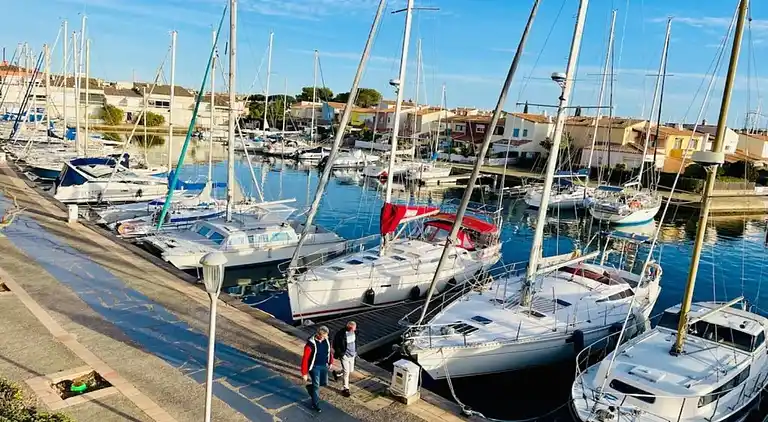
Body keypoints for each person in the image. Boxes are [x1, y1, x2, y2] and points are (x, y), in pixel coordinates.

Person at [301, 326, 334, 412]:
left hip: (324, 365)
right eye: (324, 336)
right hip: (314, 367)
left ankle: (309, 387)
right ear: (319, 335)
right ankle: (315, 404)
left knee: (324, 383)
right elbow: (305, 359)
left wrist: (330, 362)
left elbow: (329, 352)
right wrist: (304, 373)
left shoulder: (327, 340)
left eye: (327, 336)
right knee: (316, 386)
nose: (326, 337)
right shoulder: (310, 345)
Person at [332, 321, 357, 397]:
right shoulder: (341, 334)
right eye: (353, 328)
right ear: (350, 328)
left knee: (350, 370)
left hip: (352, 355)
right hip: (345, 356)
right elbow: (335, 344)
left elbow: (355, 342)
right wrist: (340, 354)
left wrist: (355, 351)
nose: (354, 330)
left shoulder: (355, 332)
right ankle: (345, 388)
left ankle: (337, 373)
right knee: (347, 372)